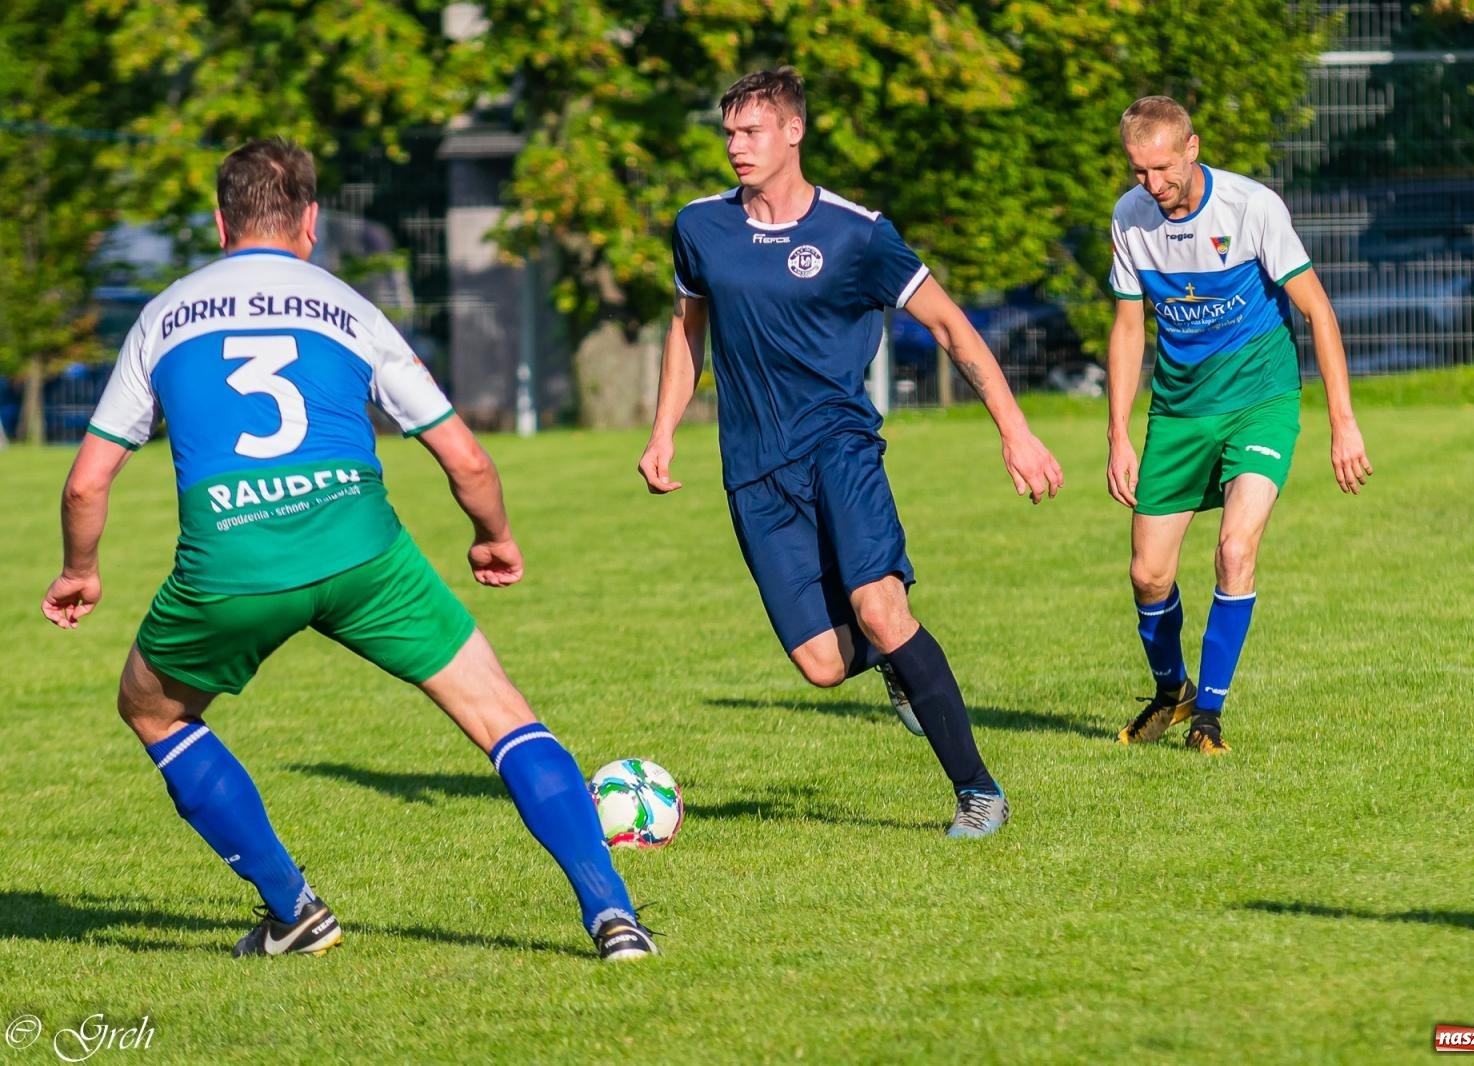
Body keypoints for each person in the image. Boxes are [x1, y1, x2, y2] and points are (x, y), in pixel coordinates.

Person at [40, 138, 657, 962]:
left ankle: (293, 911)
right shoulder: (348, 307)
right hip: (365, 556)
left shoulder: (165, 314)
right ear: (311, 221)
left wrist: (80, 571)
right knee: (502, 714)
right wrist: (493, 537)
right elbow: (467, 460)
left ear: (221, 223)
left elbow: (86, 485)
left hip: (233, 564)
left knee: (152, 710)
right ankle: (614, 918)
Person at [638, 68, 1064, 838]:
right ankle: (899, 663)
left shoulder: (857, 234)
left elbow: (952, 328)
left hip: (839, 447)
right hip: (753, 469)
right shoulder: (700, 227)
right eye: (729, 132)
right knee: (824, 664)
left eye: (751, 131)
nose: (736, 146)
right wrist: (664, 429)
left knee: (879, 607)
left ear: (793, 132)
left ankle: (978, 791)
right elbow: (685, 327)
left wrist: (1016, 430)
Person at [1105, 96, 1373, 754]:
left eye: (1163, 168)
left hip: (1261, 401)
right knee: (1148, 575)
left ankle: (1209, 717)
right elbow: (1129, 327)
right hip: (1179, 411)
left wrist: (1343, 424)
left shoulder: (1251, 207)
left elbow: (1318, 311)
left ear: (1192, 148)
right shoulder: (1130, 217)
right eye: (1139, 170)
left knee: (1234, 551)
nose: (1152, 184)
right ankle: (1173, 691)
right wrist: (1118, 435)